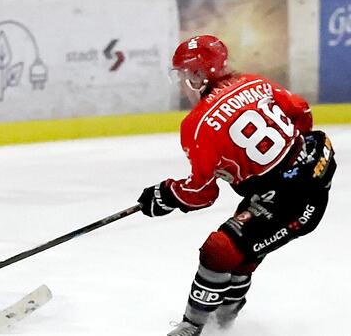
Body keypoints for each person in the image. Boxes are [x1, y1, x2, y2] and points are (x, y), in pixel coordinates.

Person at [137, 35, 336, 336]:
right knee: (241, 253)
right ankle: (224, 325)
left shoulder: (197, 126)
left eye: (182, 75)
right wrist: (287, 159)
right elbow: (302, 112)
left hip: (293, 204)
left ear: (198, 75)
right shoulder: (256, 83)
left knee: (220, 250)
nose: (180, 83)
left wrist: (165, 195)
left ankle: (192, 328)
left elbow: (201, 195)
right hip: (308, 176)